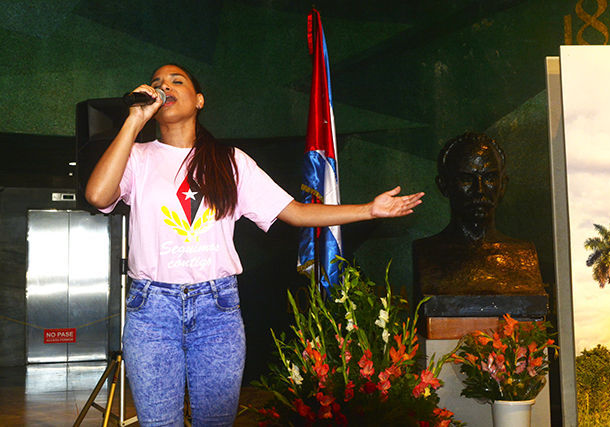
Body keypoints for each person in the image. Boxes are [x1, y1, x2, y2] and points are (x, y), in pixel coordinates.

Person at [85, 64, 424, 426]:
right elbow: (97, 195)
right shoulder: (137, 157)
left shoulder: (231, 162)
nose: (164, 86)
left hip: (216, 311)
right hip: (151, 311)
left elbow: (294, 212)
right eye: (157, 84)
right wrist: (134, 121)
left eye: (175, 81)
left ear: (199, 100)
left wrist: (369, 210)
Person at [412, 132, 545, 297]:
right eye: (467, 179)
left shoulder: (523, 255)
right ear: (444, 185)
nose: (479, 190)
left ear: (503, 185)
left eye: (489, 178)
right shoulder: (428, 254)